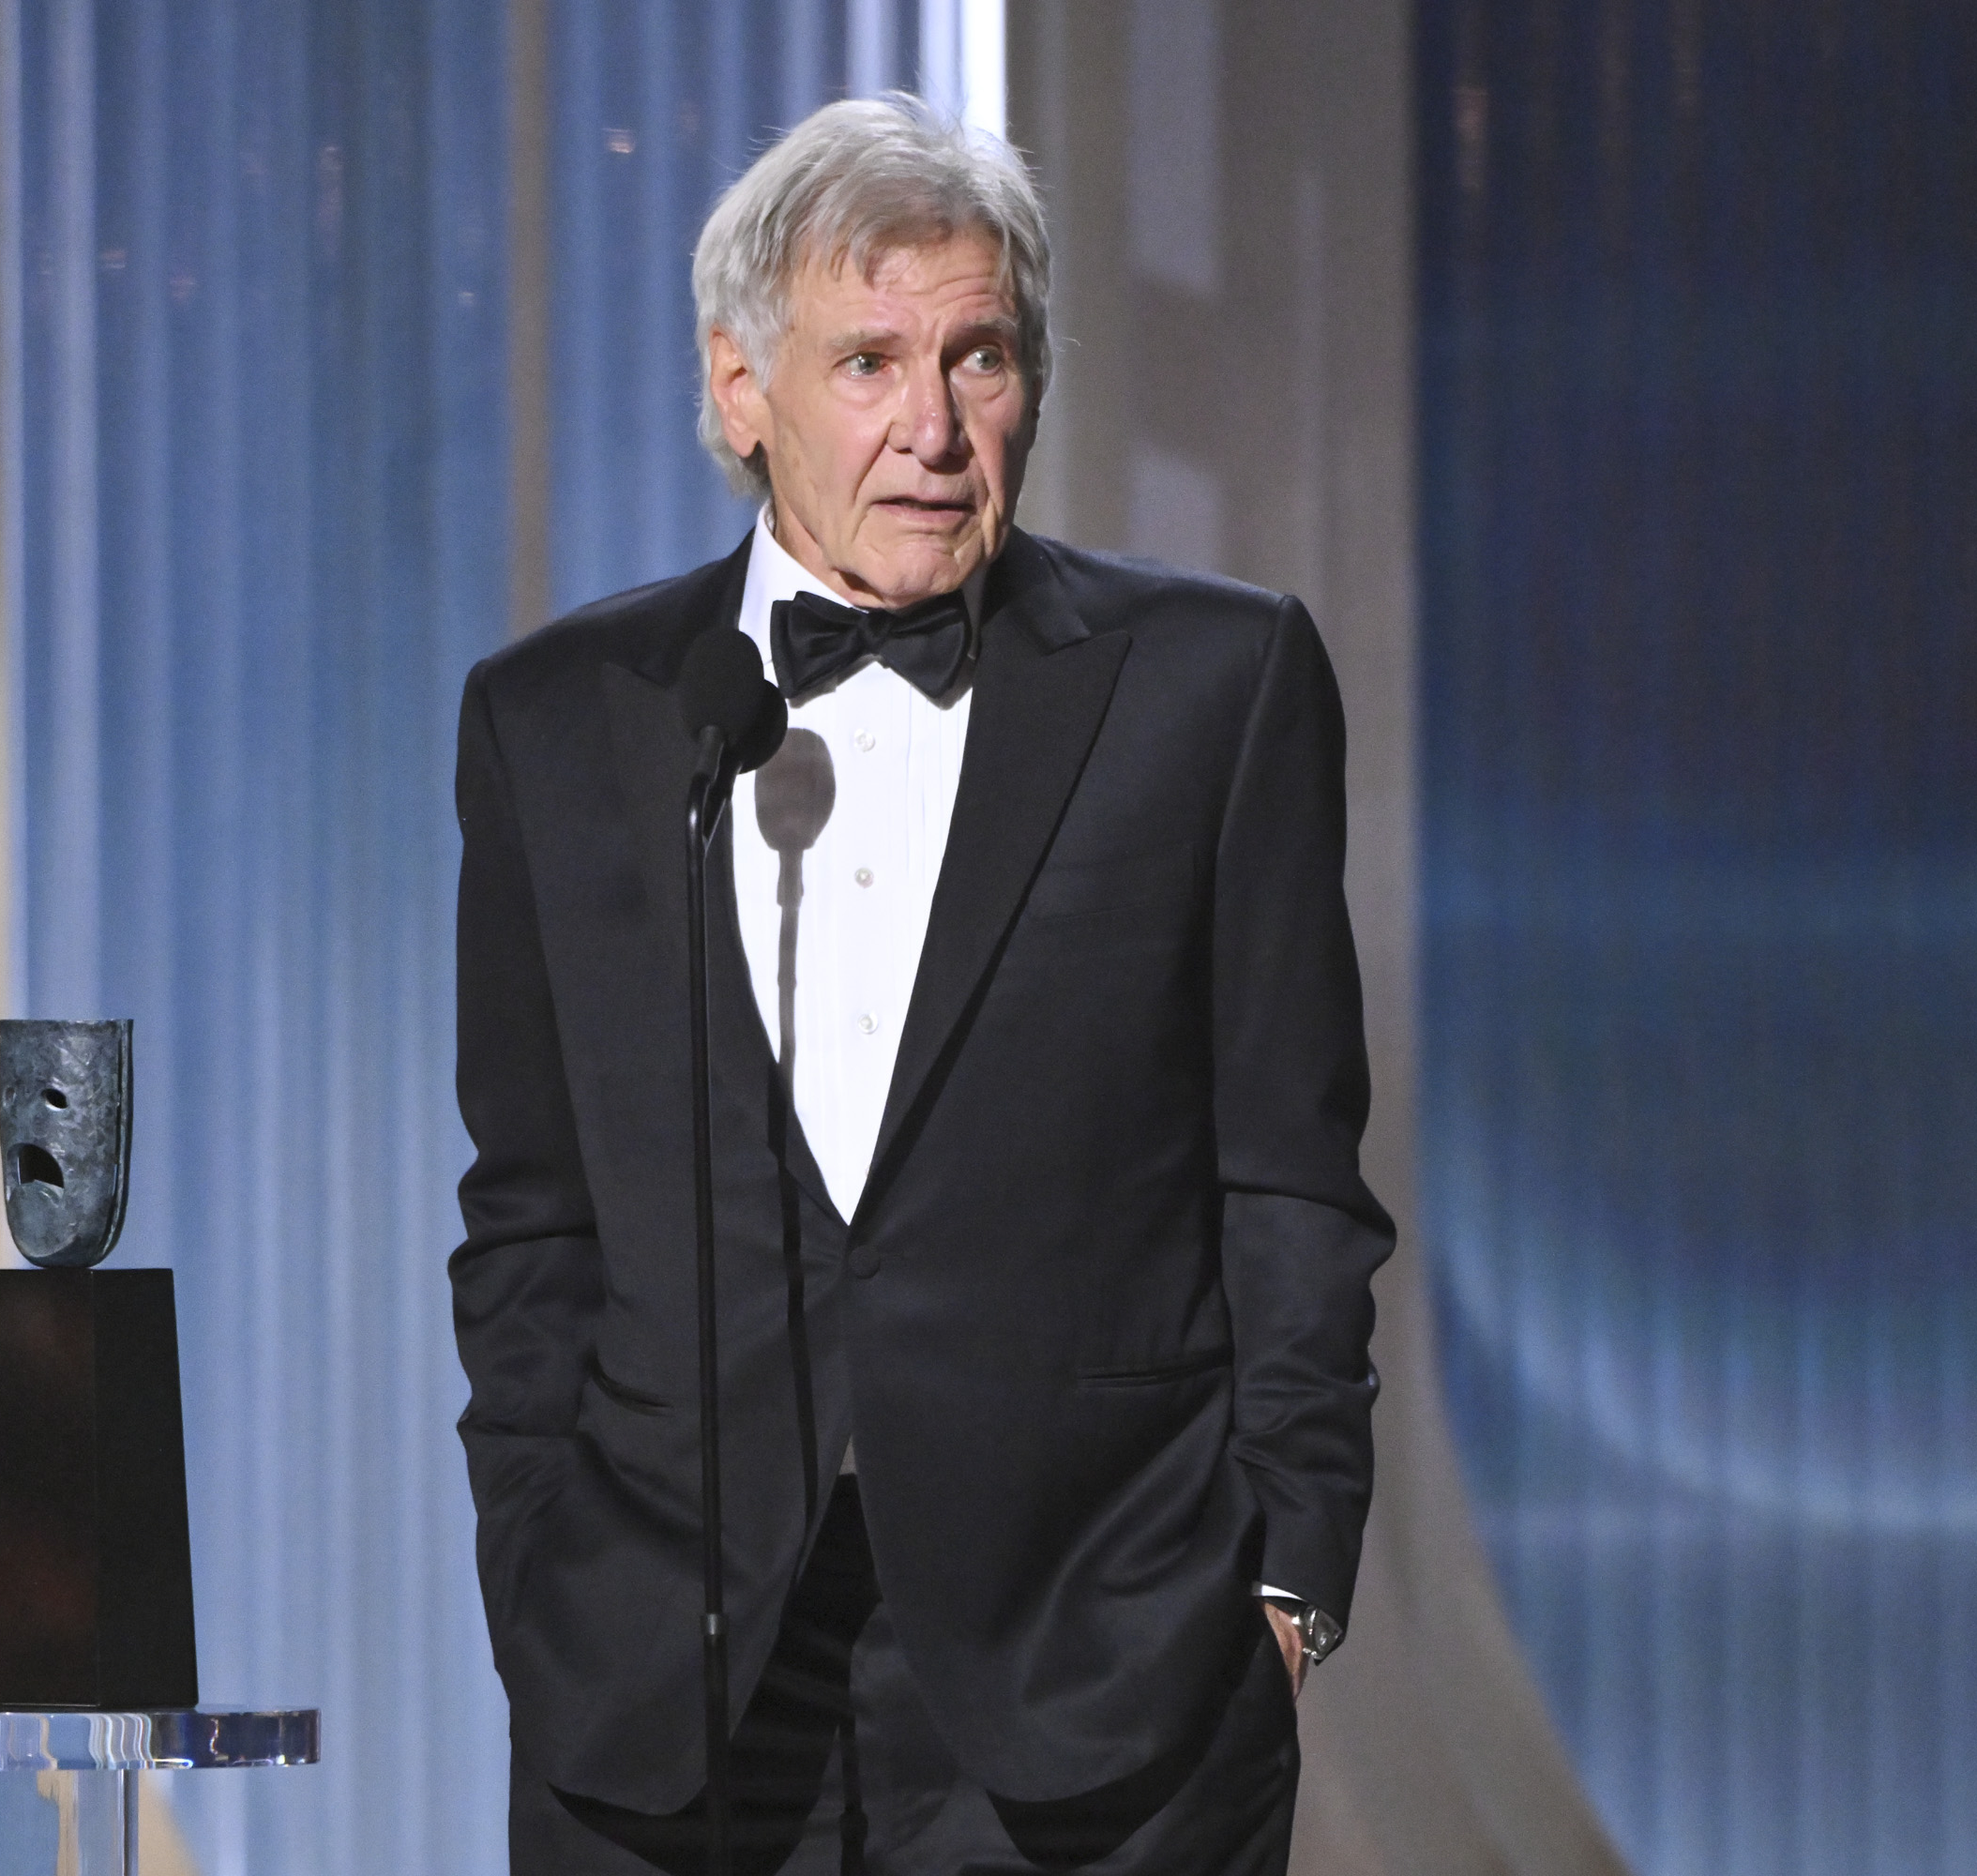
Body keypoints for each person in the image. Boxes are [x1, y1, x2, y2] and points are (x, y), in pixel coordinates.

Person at [450, 93, 1394, 1876]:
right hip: (668, 1684)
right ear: (742, 391)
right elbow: (529, 1219)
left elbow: (1290, 1181)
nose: (937, 429)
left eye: (981, 357)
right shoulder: (555, 722)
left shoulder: (1216, 684)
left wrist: (1287, 1591)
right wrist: (537, 1573)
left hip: (1108, 1679)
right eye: (869, 361)